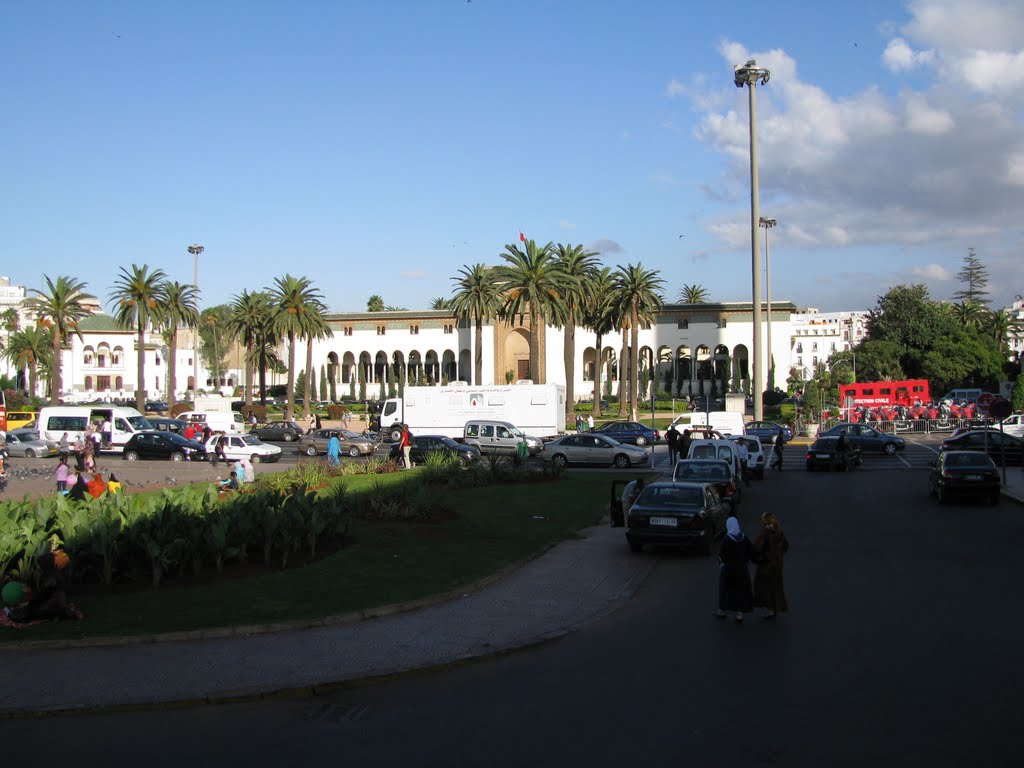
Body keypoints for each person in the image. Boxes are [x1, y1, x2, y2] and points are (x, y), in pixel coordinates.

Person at [715, 516, 754, 622]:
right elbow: (750, 551)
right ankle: (739, 613)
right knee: (740, 590)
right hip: (742, 569)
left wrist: (721, 563)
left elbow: (722, 554)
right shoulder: (744, 538)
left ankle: (722, 610)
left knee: (725, 589)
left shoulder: (727, 539)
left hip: (729, 569)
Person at [753, 512, 790, 620]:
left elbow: (757, 547)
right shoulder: (779, 531)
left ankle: (769, 610)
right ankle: (775, 608)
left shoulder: (765, 532)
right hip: (777, 564)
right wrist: (779, 554)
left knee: (764, 587)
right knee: (776, 586)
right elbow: (785, 545)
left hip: (766, 564)